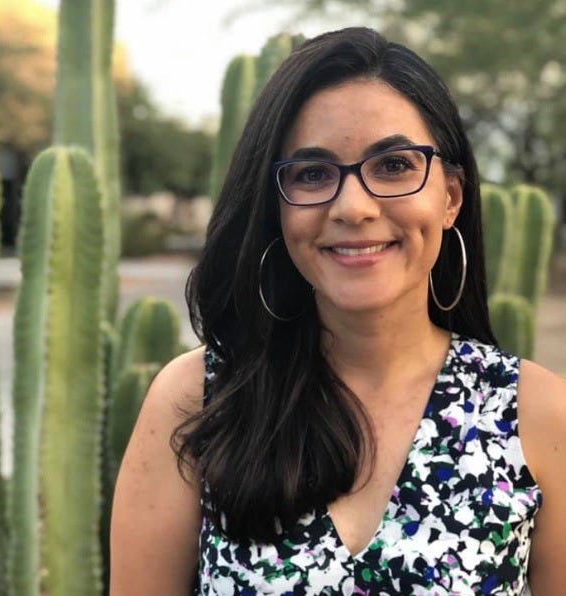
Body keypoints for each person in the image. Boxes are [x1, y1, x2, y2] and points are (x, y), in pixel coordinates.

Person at [110, 27, 566, 595]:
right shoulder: (197, 398)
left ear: (450, 197)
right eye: (312, 173)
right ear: (277, 207)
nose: (353, 207)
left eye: (395, 165)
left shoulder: (539, 414)